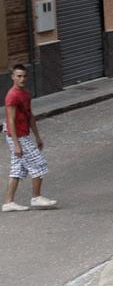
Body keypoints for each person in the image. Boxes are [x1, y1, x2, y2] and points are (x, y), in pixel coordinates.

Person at [3, 65, 55, 212]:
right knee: (39, 164)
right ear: (12, 77)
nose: (22, 79)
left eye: (24, 76)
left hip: (23, 135)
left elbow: (30, 116)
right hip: (17, 136)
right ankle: (36, 197)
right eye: (18, 76)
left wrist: (37, 136)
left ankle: (8, 202)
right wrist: (16, 144)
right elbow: (10, 121)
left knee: (17, 170)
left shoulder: (25, 93)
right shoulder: (12, 96)